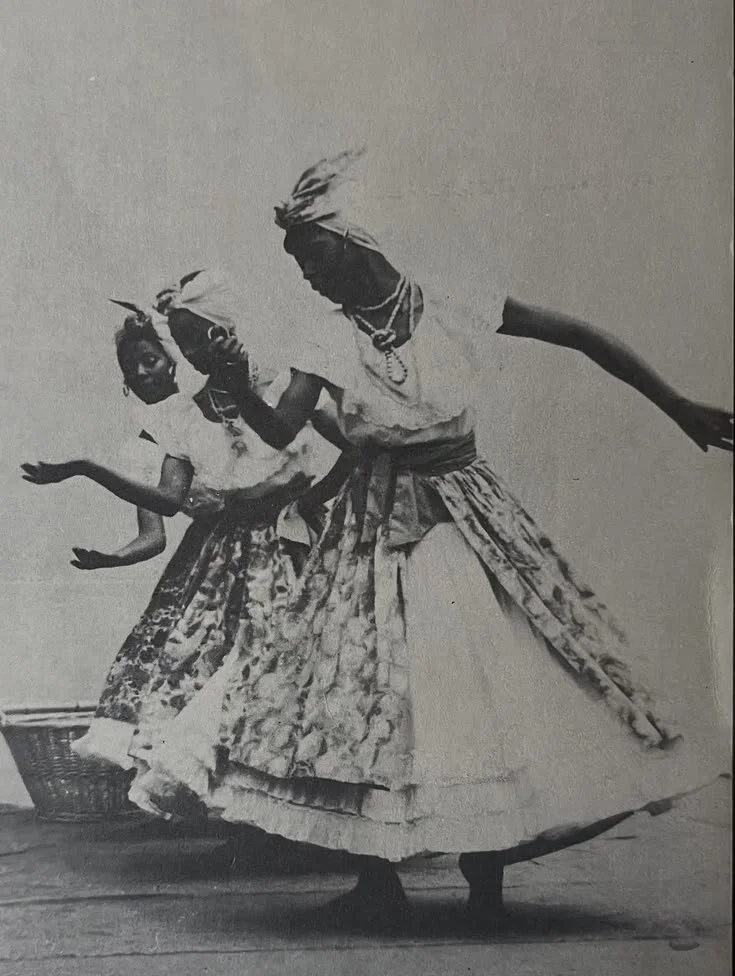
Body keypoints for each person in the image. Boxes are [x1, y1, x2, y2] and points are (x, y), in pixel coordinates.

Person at [129, 152, 731, 930]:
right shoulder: (326, 335)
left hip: (466, 510)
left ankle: (487, 880)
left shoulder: (448, 301)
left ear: (353, 237)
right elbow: (279, 429)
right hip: (371, 522)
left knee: (479, 677)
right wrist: (238, 383)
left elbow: (580, 335)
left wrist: (676, 405)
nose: (308, 276)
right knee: (355, 684)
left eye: (312, 254)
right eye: (299, 263)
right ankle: (376, 880)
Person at [21, 291, 335, 787]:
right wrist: (86, 471)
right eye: (132, 368)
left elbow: (347, 442)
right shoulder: (177, 423)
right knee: (212, 668)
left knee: (303, 660)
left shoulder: (279, 386)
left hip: (294, 541)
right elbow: (163, 509)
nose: (144, 373)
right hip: (222, 557)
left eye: (153, 358)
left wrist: (316, 500)